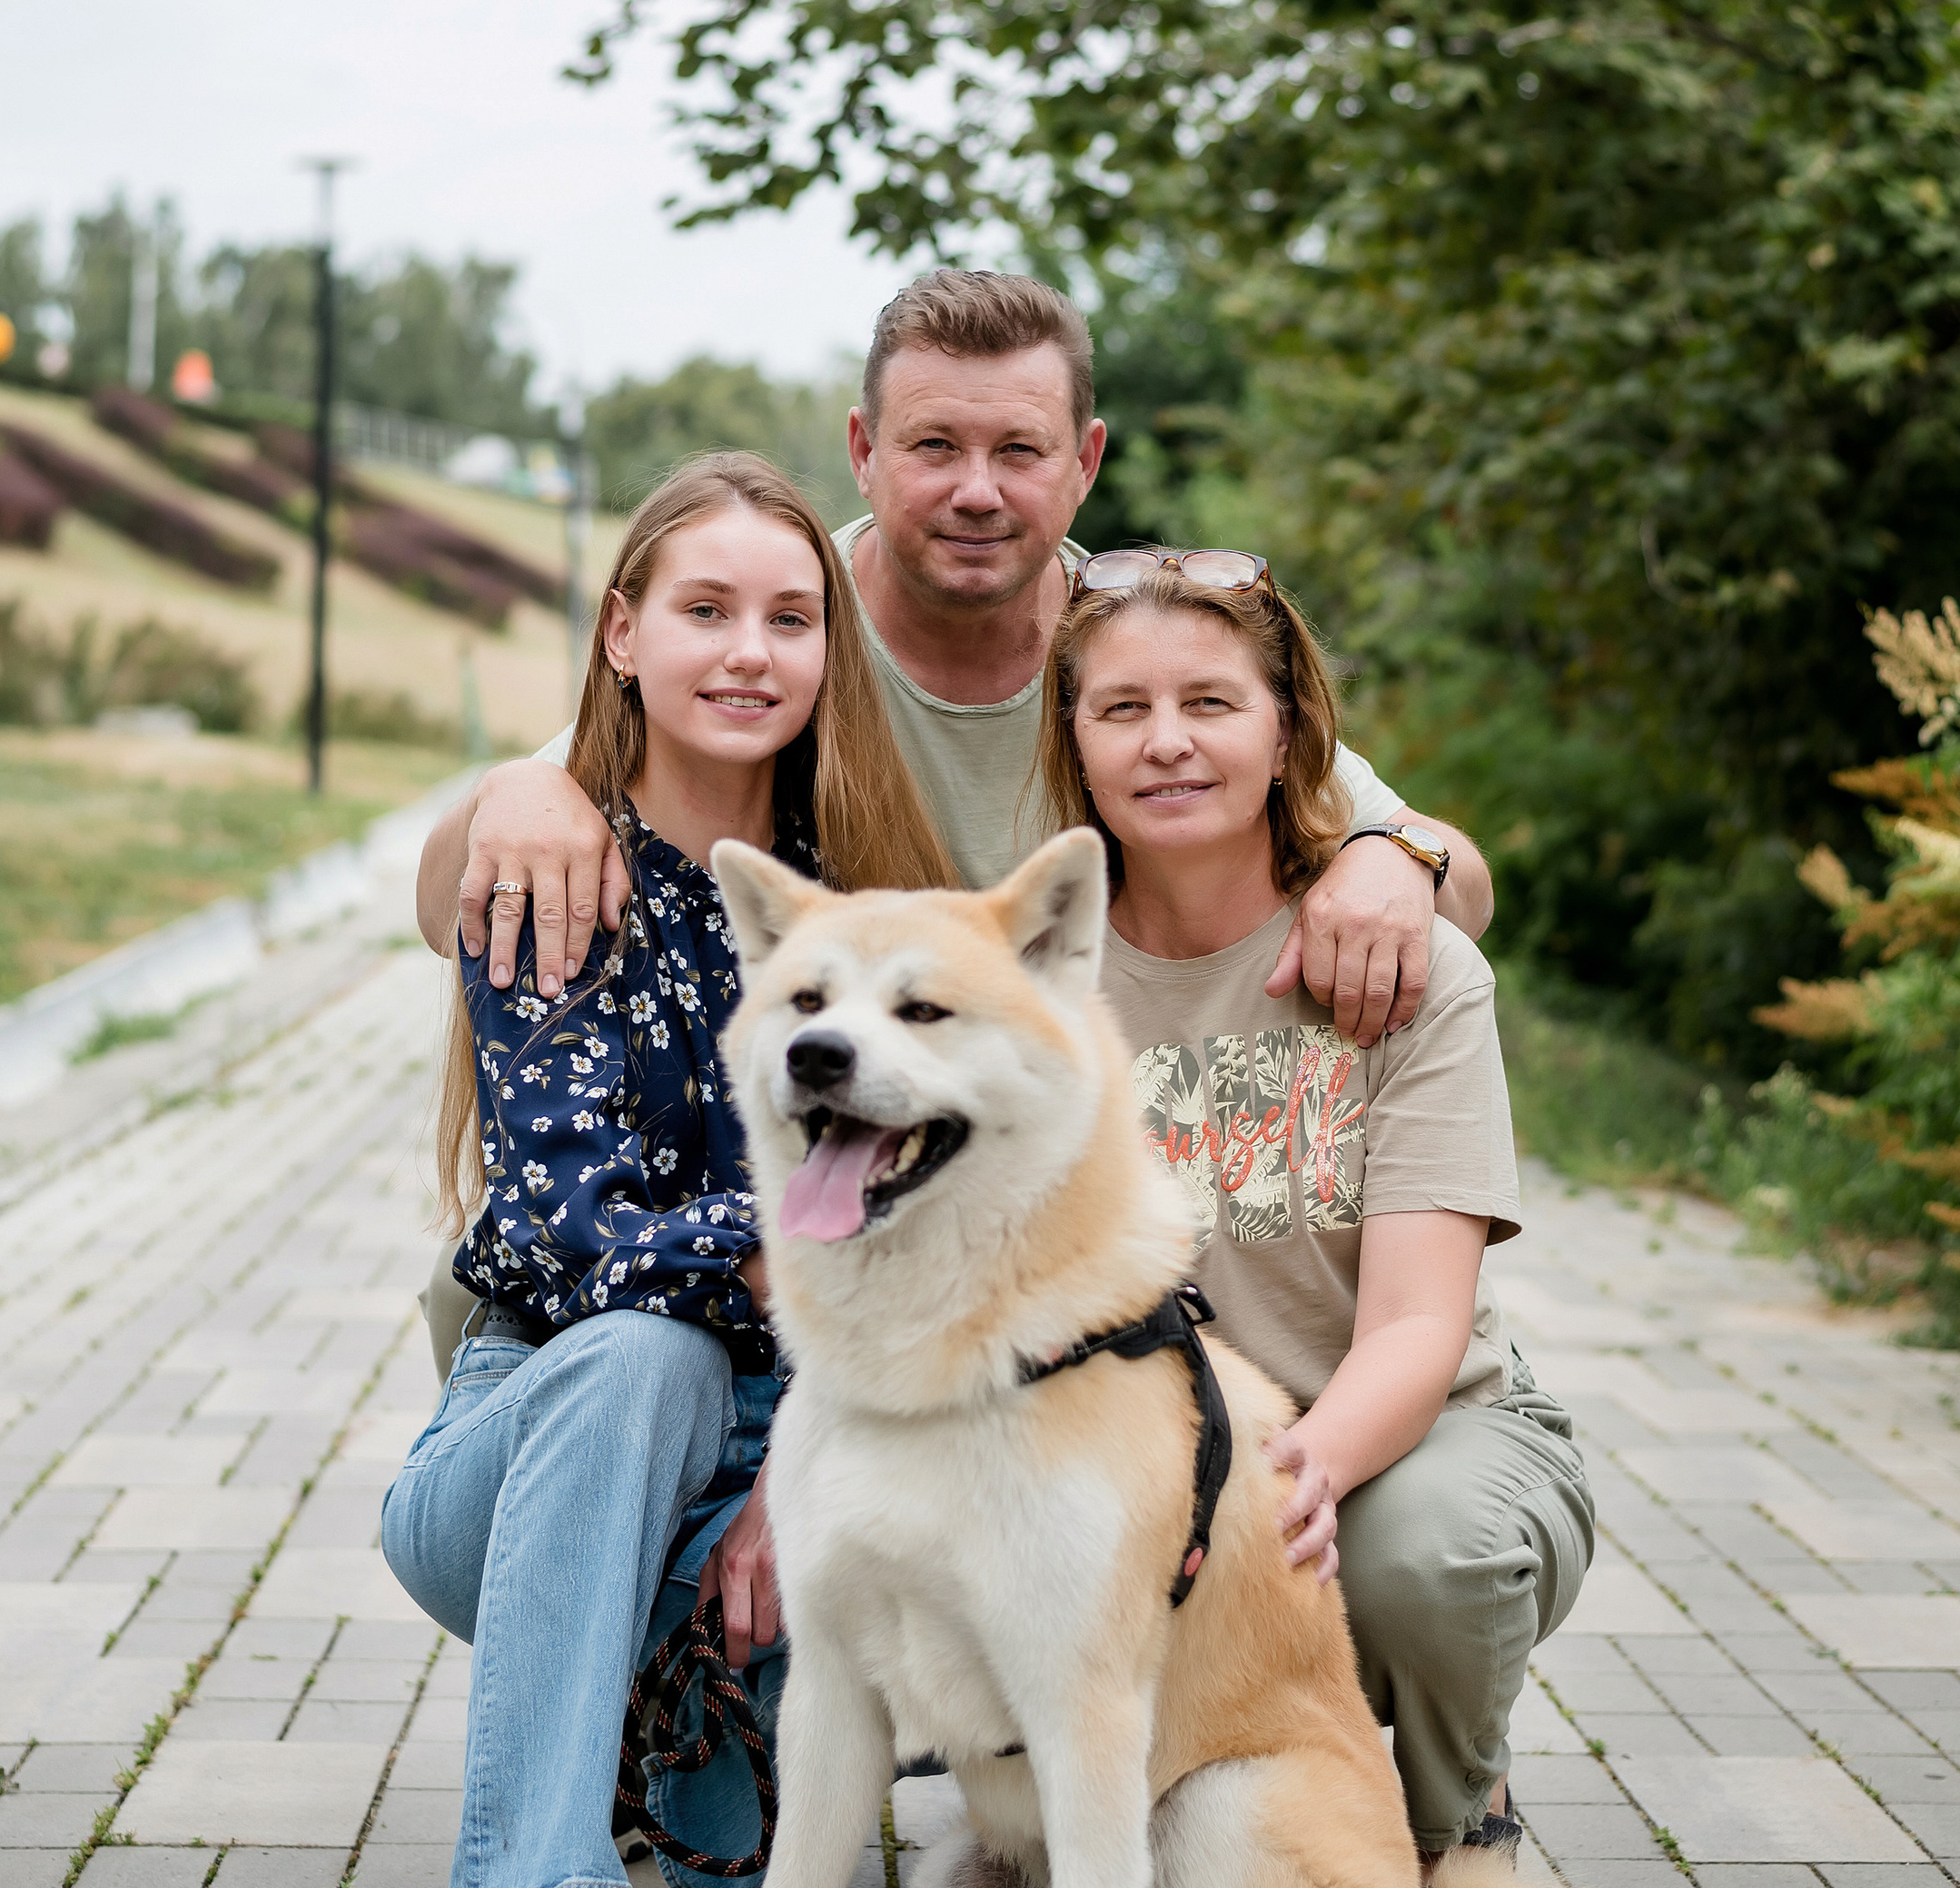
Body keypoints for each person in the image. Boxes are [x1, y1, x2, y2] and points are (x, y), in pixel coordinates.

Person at [414, 272, 1492, 1249]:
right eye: (934, 446)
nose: (978, 490)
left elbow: (1463, 890)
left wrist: (1394, 854)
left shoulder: (1134, 649)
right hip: (824, 1190)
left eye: (1019, 451)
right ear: (863, 450)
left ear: (1085, 462)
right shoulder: (788, 628)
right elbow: (442, 909)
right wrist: (523, 788)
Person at [380, 452, 951, 1888]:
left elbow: (940, 1210)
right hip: (526, 1446)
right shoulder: (551, 867)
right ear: (623, 630)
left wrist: (801, 1461)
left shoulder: (862, 901)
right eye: (706, 607)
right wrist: (802, 1232)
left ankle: (660, 1744)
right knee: (639, 1349)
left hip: (778, 1443)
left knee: (761, 1854)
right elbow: (572, 1237)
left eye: (791, 615)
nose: (750, 649)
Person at [1037, 547, 1593, 1866]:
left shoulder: (1408, 966)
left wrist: (1274, 1493)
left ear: (1288, 732)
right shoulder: (1034, 981)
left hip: (1412, 1435)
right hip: (1141, 1446)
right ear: (1075, 743)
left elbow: (1415, 1327)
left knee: (1423, 1564)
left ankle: (1456, 1827)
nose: (1167, 741)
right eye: (1122, 708)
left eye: (1211, 703)